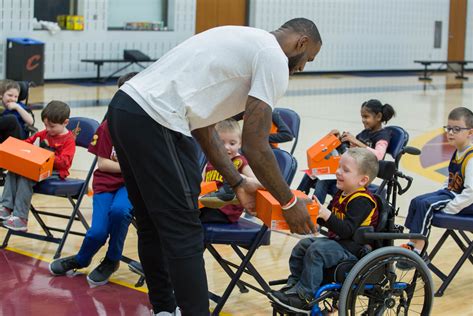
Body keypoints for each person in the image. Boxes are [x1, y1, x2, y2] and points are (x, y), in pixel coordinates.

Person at [107, 18, 322, 315]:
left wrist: (236, 181)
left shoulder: (241, 38)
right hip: (157, 120)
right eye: (308, 59)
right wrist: (288, 202)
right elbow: (256, 145)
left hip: (124, 108)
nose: (302, 67)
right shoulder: (272, 56)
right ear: (301, 42)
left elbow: (204, 127)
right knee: (184, 231)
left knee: (152, 225)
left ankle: (164, 310)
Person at [48, 73, 137, 287]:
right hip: (106, 184)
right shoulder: (108, 126)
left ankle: (111, 260)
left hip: (132, 185)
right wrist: (132, 167)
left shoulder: (149, 128)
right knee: (97, 231)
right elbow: (104, 165)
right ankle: (81, 258)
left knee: (120, 211)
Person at [268, 148, 379, 313]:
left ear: (362, 180)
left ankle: (305, 296)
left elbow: (347, 230)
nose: (338, 172)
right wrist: (311, 216)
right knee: (303, 246)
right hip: (339, 243)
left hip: (354, 248)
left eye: (345, 170)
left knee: (317, 251)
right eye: (339, 167)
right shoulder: (342, 193)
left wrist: (326, 215)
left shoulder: (363, 200)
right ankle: (294, 287)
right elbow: (327, 219)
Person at [399, 107, 473, 269]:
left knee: (427, 205)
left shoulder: (472, 157)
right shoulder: (458, 152)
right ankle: (412, 242)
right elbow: (451, 178)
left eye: (457, 129)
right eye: (449, 128)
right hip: (454, 194)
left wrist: (451, 208)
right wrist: (440, 192)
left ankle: (419, 249)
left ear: (470, 132)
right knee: (417, 201)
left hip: (467, 202)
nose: (451, 133)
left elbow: (472, 192)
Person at [298, 99, 395, 203]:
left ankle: (316, 211)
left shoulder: (383, 136)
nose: (363, 120)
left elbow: (379, 156)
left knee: (323, 180)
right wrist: (338, 139)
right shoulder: (365, 133)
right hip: (349, 170)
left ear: (378, 117)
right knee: (313, 172)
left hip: (358, 174)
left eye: (366, 117)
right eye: (362, 116)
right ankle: (297, 199)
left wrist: (356, 142)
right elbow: (350, 149)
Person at [0, 101, 75, 231]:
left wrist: (46, 154)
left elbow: (65, 163)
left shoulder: (68, 140)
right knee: (14, 169)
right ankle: (6, 207)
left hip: (55, 173)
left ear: (65, 123)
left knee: (26, 175)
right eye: (46, 125)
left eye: (52, 126)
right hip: (38, 168)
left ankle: (21, 219)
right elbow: (27, 143)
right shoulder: (43, 134)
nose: (48, 129)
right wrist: (16, 148)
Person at [201, 118, 261, 223]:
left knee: (194, 221)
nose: (226, 147)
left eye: (232, 143)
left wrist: (241, 178)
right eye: (220, 143)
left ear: (240, 144)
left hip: (226, 211)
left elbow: (256, 181)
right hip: (207, 204)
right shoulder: (211, 161)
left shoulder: (240, 161)